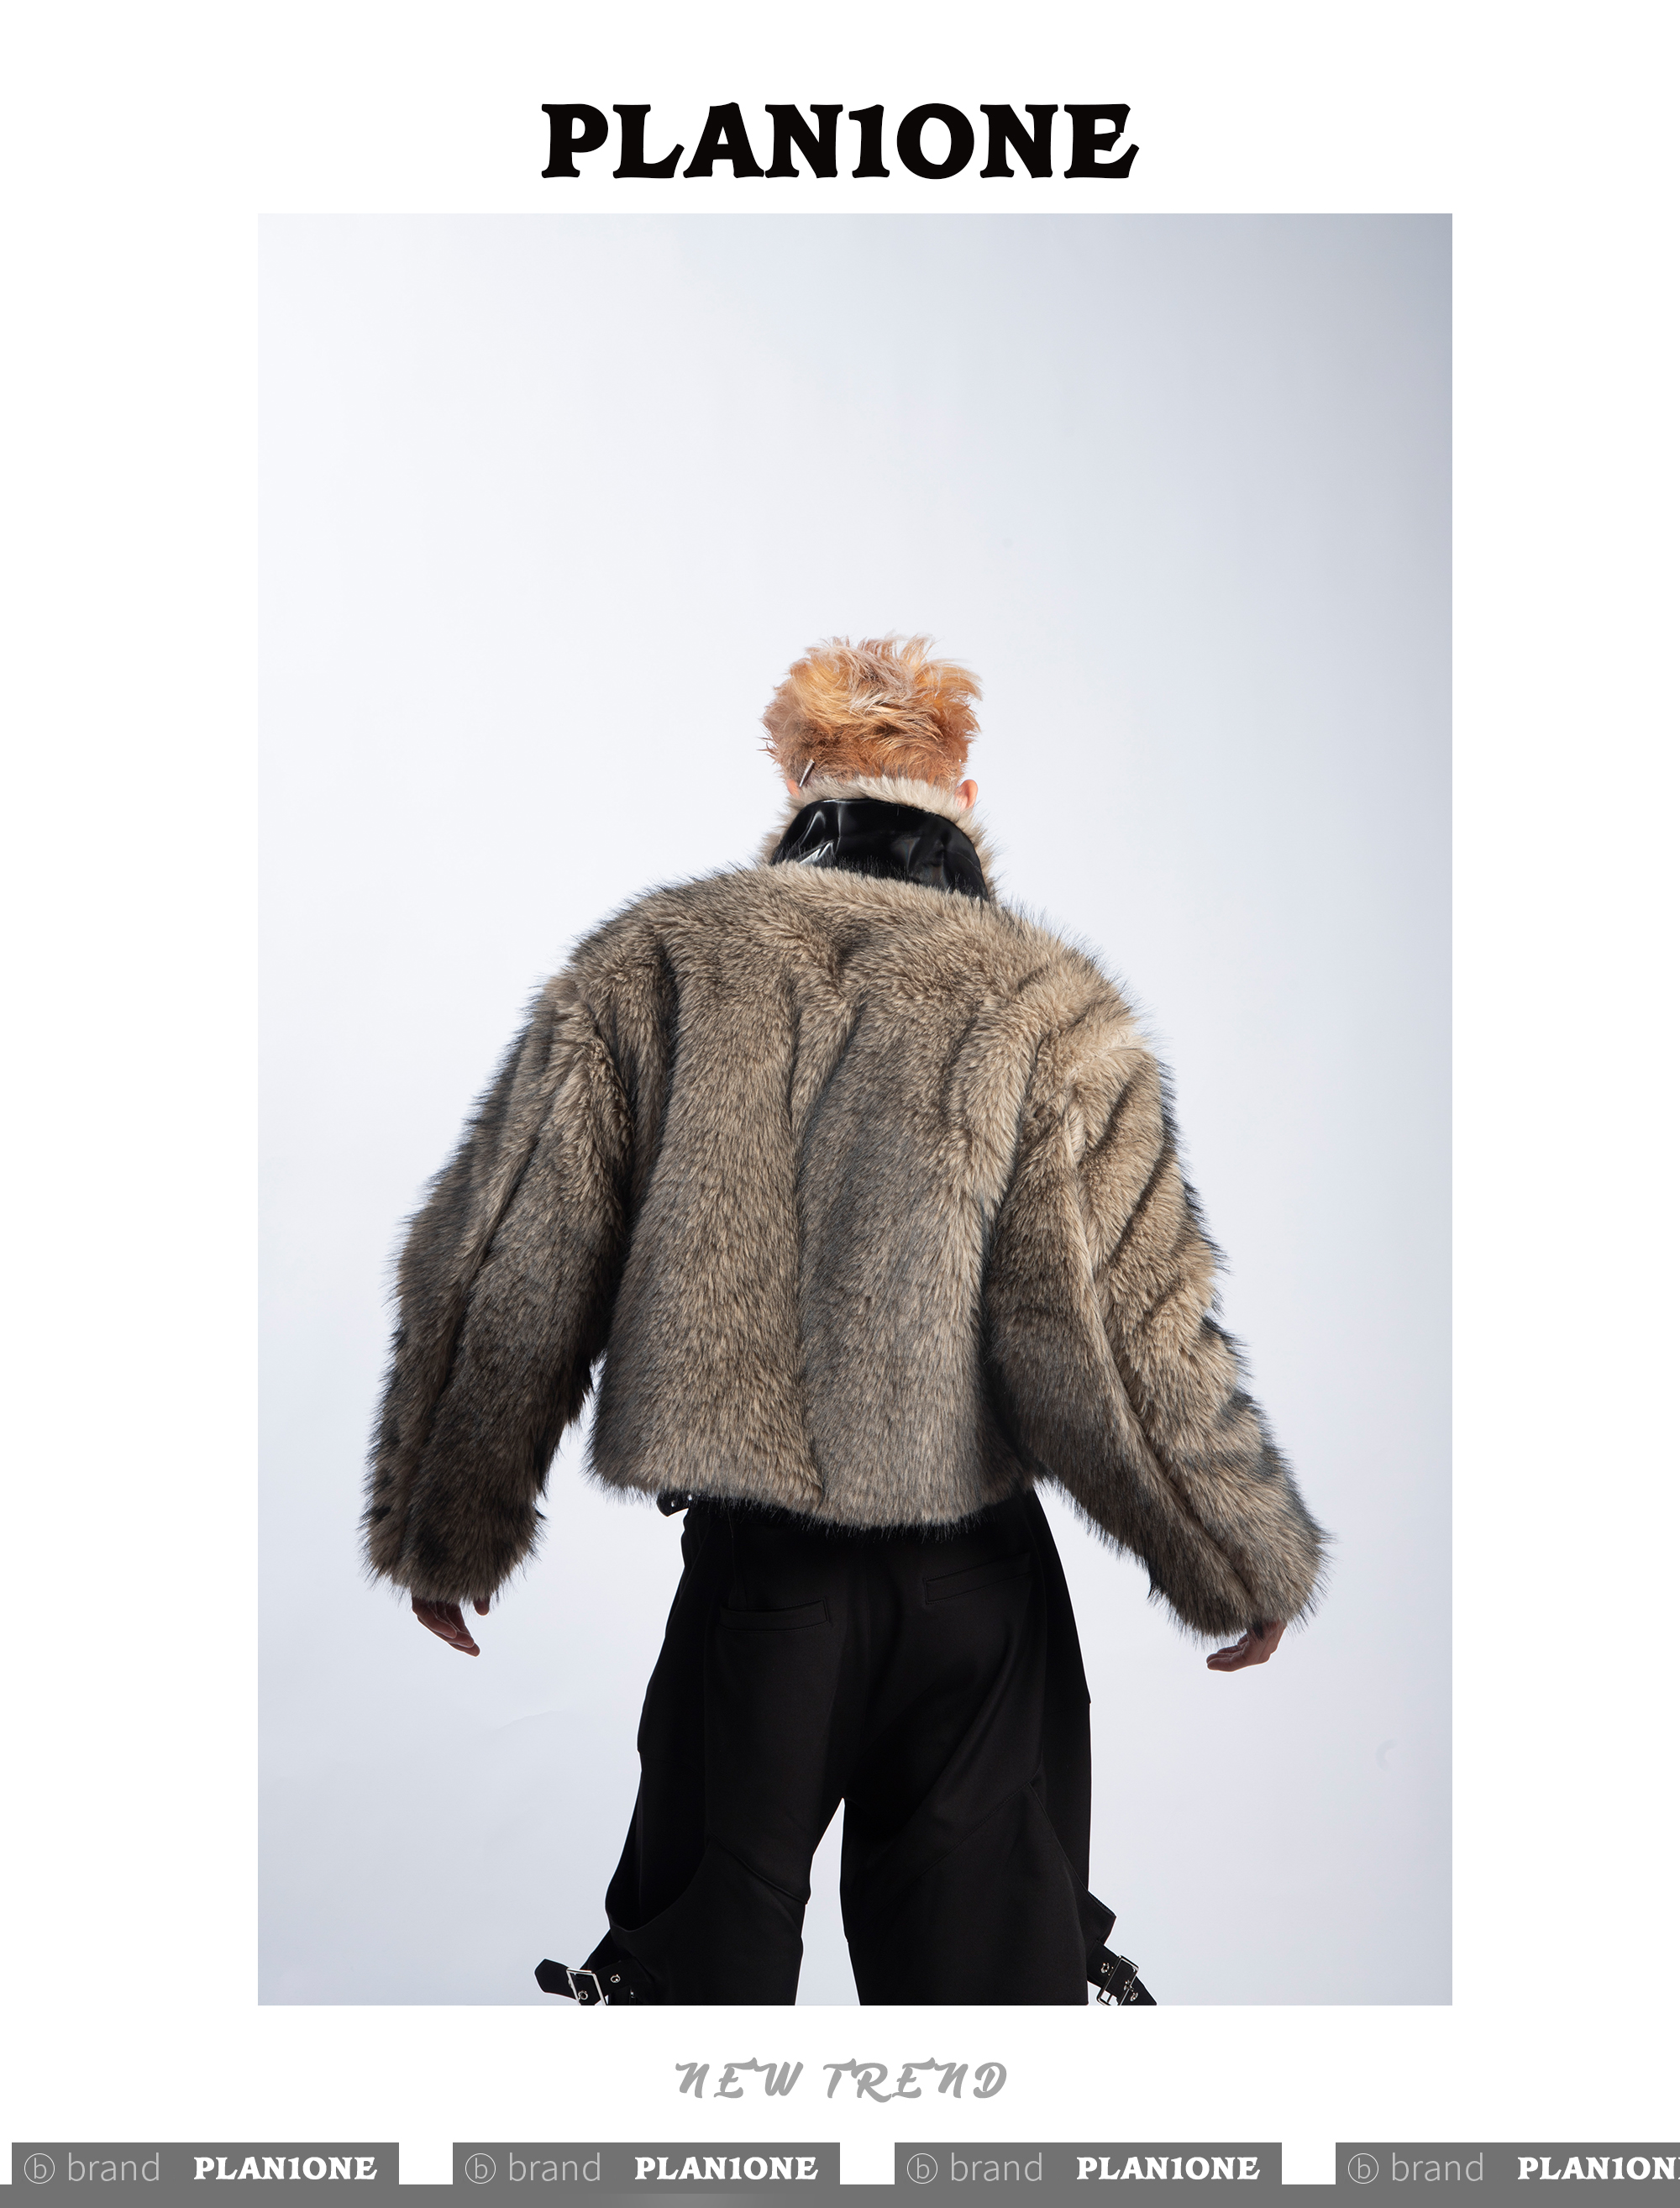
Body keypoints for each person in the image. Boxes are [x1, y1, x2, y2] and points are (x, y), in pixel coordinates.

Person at [363, 635, 1326, 2006]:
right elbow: (1131, 1331)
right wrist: (1235, 1553)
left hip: (760, 1594)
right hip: (980, 1602)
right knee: (990, 2019)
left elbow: (505, 1261)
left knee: (701, 2006)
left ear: (795, 783)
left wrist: (446, 1520)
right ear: (963, 795)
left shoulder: (656, 967)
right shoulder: (1053, 1010)